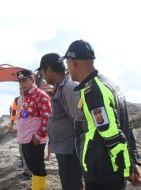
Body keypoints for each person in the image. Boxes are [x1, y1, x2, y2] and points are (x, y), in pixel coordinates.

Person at [60, 39, 141, 190]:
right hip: (107, 171)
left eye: (67, 64)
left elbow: (112, 135)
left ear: (74, 62)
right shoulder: (108, 84)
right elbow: (126, 125)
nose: (67, 69)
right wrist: (132, 160)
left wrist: (127, 167)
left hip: (103, 174)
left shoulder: (94, 92)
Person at [36, 53, 83, 190]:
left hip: (70, 150)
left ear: (49, 70)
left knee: (72, 185)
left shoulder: (68, 87)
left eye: (42, 72)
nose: (43, 76)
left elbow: (80, 121)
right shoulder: (60, 87)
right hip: (64, 148)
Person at [16, 69, 51, 190]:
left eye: (24, 80)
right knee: (32, 167)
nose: (22, 84)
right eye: (20, 81)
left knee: (37, 167)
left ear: (32, 79)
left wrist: (38, 137)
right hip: (25, 138)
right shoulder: (26, 97)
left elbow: (47, 118)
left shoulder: (41, 95)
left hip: (34, 139)